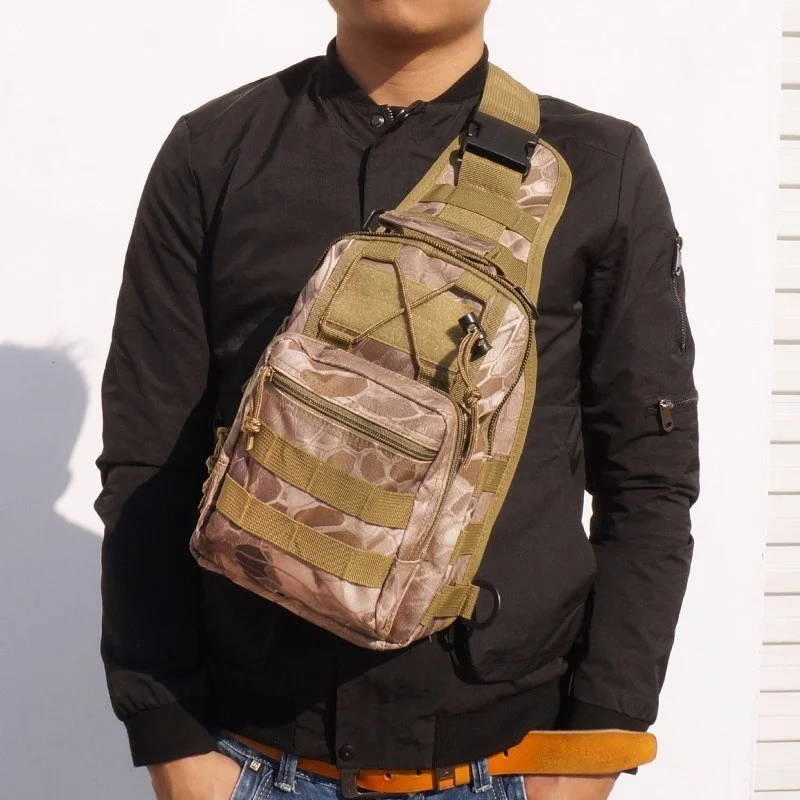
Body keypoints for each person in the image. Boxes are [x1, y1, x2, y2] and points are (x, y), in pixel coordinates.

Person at [96, 1, 700, 799]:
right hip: (251, 757)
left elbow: (649, 480)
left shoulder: (596, 167)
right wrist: (169, 737)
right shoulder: (215, 152)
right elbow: (148, 459)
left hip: (506, 763)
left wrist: (593, 748)